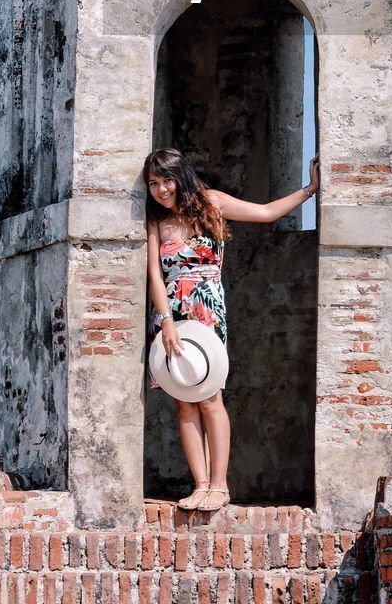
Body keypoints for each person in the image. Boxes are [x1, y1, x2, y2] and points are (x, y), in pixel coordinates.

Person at [143, 147, 320, 512]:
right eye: (153, 183)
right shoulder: (156, 222)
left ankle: (220, 486)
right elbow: (155, 276)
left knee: (210, 398)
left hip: (208, 312)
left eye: (167, 180)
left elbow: (267, 212)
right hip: (173, 315)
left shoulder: (212, 204)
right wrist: (166, 323)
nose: (161, 190)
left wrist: (310, 190)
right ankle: (200, 484)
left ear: (182, 177)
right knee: (184, 402)